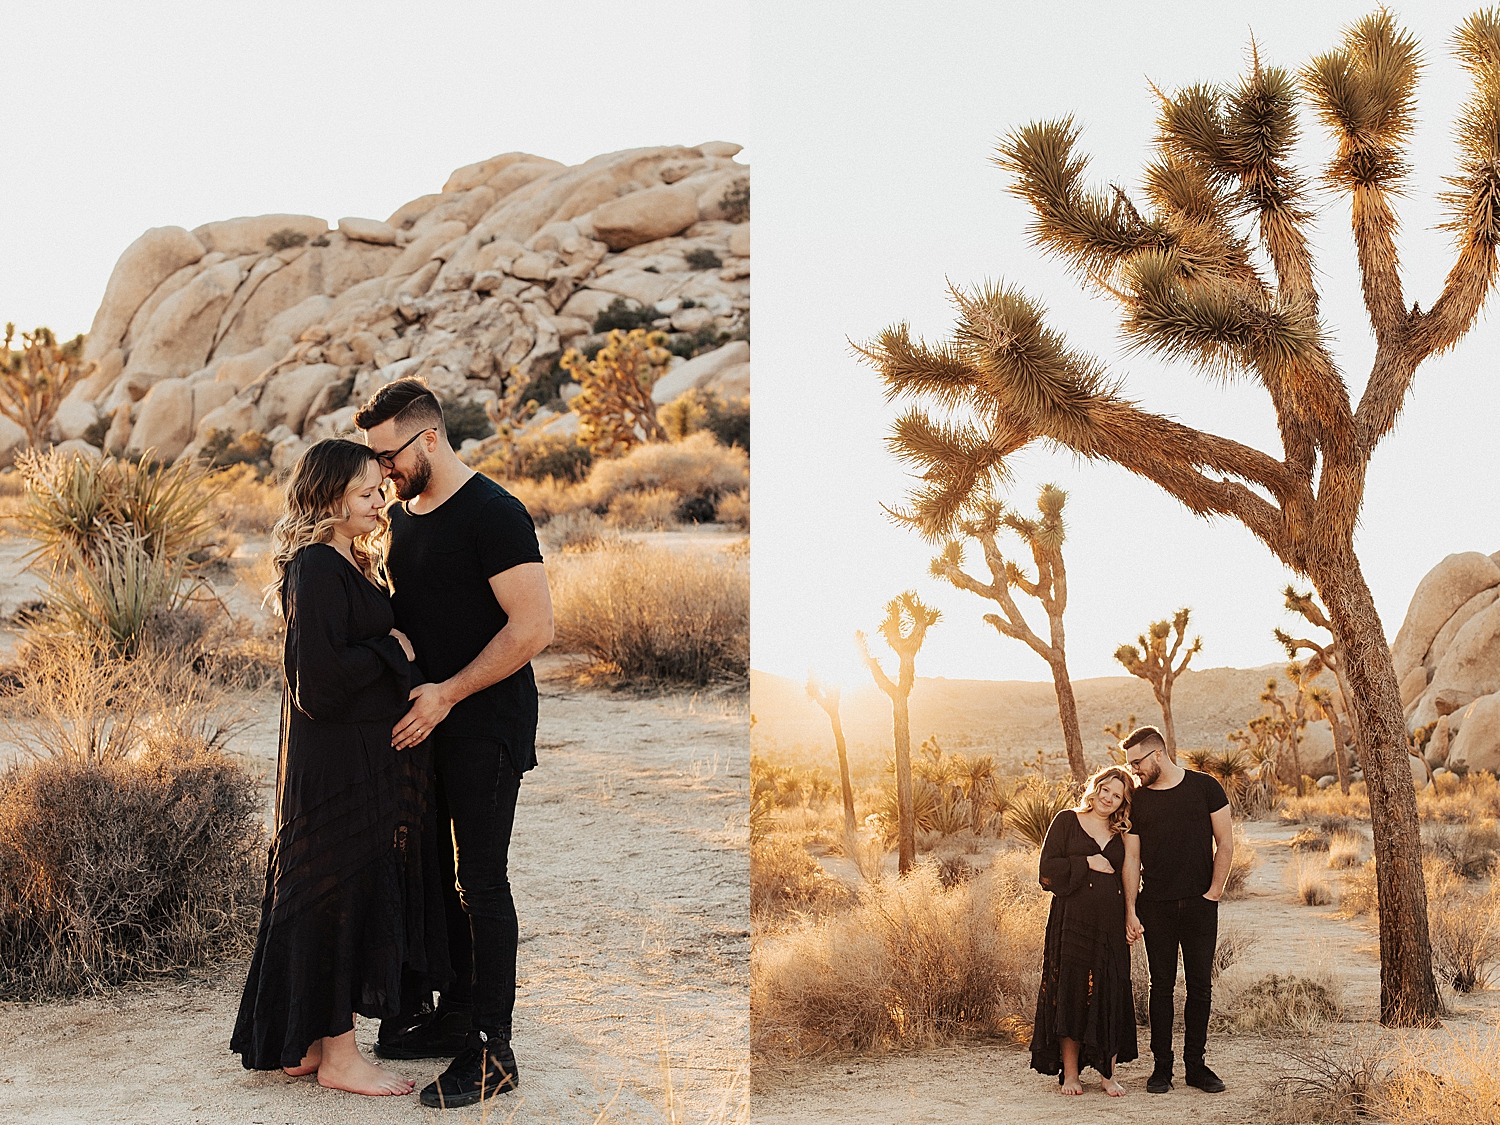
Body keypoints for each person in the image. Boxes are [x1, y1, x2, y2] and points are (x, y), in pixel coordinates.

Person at [354, 378, 554, 1110]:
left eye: (388, 453)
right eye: (372, 459)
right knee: (439, 873)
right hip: (427, 726)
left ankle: (494, 1053)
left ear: (429, 437)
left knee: (484, 881)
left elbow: (533, 628)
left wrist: (447, 693)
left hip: (485, 724)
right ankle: (460, 1013)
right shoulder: (403, 519)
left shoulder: (496, 514)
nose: (381, 471)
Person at [231, 439, 450, 1096]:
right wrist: (390, 648)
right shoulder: (317, 568)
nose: (379, 501)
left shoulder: (343, 560)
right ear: (328, 500)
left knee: (332, 893)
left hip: (352, 758)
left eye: (379, 490)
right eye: (365, 492)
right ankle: (339, 1056)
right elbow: (317, 685)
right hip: (336, 767)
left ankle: (303, 1038)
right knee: (339, 896)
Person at [1121, 725, 1233, 1095]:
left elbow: (1226, 844)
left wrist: (1213, 893)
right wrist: (1132, 909)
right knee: (1161, 988)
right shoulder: (1138, 801)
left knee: (1200, 986)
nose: (1133, 770)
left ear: (1157, 754)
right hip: (1157, 907)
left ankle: (1196, 1067)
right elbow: (1132, 858)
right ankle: (1162, 1068)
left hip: (1201, 905)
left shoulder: (1205, 787)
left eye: (1137, 762)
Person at [1031, 765, 1139, 1097]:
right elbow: (1046, 871)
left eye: (1117, 795)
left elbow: (1130, 873)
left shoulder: (1123, 831)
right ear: (1095, 788)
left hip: (1110, 921)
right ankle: (1071, 1075)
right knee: (1071, 990)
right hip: (1071, 921)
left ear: (1122, 801)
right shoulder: (1066, 820)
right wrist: (1086, 862)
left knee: (1112, 989)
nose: (1108, 798)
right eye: (1105, 789)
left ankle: (1108, 1074)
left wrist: (1131, 915)